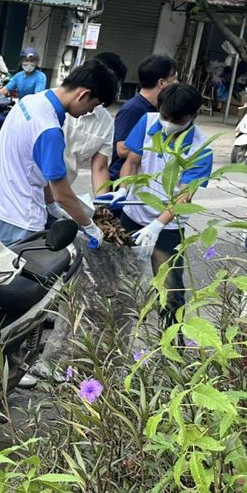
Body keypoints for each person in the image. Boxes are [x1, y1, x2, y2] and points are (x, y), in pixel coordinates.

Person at [0, 60, 118, 248]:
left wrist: (50, 204)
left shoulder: (29, 102)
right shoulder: (49, 130)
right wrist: (89, 225)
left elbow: (37, 169)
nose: (90, 111)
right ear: (84, 95)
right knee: (25, 277)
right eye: (93, 106)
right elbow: (63, 194)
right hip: (19, 222)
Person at [115, 83, 212, 324]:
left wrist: (157, 225)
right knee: (121, 278)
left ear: (194, 115)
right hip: (133, 214)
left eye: (176, 120)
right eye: (165, 116)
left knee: (170, 289)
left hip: (168, 228)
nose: (168, 123)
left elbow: (185, 196)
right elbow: (133, 161)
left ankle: (170, 344)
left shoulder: (200, 148)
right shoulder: (148, 122)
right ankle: (115, 330)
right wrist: (123, 189)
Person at [62, 52, 127, 199]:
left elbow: (100, 167)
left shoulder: (105, 123)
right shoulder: (53, 109)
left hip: (60, 193)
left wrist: (102, 202)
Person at [109, 54, 178, 183]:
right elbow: (122, 149)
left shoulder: (158, 108)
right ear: (162, 83)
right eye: (174, 79)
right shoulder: (133, 109)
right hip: (124, 182)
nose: (176, 84)